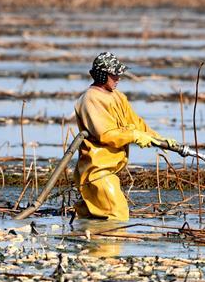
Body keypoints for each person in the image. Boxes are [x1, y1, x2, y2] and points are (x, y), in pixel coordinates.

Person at [73, 52, 177, 221]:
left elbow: (135, 123)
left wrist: (159, 139)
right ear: (102, 75)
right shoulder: (90, 99)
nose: (118, 78)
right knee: (118, 216)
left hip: (110, 169)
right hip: (97, 170)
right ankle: (104, 246)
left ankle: (85, 239)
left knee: (94, 216)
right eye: (114, 74)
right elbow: (106, 134)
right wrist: (134, 136)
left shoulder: (117, 96)